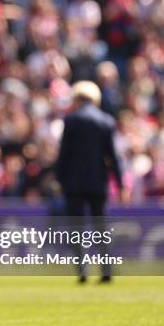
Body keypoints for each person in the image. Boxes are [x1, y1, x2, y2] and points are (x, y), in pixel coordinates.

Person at [56, 81, 125, 283]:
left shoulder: (72, 120)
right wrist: (120, 184)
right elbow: (113, 157)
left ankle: (83, 271)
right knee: (100, 228)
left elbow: (64, 155)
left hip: (74, 184)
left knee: (76, 229)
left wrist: (59, 181)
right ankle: (106, 271)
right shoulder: (106, 121)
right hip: (97, 182)